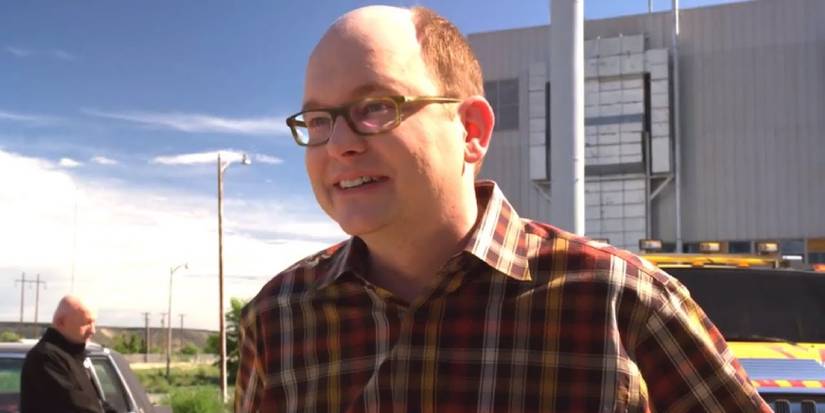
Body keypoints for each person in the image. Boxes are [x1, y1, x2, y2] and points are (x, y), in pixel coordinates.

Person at [236, 5, 770, 412]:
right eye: (318, 121)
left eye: (376, 108)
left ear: (471, 131)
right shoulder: (279, 318)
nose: (337, 145)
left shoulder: (620, 302)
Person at [20, 295, 112, 413]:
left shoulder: (73, 356)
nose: (93, 330)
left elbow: (96, 405)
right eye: (87, 323)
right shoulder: (45, 358)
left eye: (94, 323)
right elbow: (75, 407)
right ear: (61, 322)